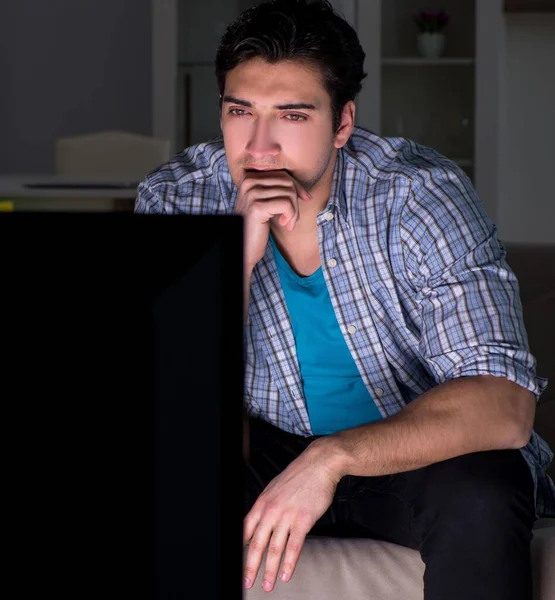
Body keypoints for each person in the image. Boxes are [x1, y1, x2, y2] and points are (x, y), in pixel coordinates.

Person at [134, 1, 555, 598]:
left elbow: (505, 404)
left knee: (485, 489)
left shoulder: (418, 197)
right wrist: (234, 255)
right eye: (240, 111)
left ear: (342, 123)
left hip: (412, 453)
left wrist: (330, 458)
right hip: (264, 444)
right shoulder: (177, 198)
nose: (259, 146)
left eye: (292, 115)